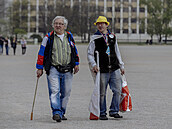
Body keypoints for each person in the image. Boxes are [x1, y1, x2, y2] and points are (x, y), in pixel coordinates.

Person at [36, 16, 79, 122]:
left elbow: (74, 51)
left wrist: (76, 63)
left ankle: (61, 112)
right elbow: (41, 53)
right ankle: (56, 112)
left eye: (60, 24)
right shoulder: (48, 37)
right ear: (53, 25)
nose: (58, 25)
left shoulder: (69, 36)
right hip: (53, 68)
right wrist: (39, 68)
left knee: (66, 92)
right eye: (56, 23)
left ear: (64, 26)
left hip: (68, 69)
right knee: (55, 91)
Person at [87, 16, 125, 120]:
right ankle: (102, 112)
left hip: (114, 67)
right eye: (98, 23)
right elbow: (90, 54)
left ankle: (114, 110)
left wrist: (121, 65)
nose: (100, 25)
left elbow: (117, 51)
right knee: (102, 93)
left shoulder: (112, 37)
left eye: (102, 23)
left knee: (117, 90)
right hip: (102, 69)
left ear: (106, 25)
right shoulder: (94, 38)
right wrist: (94, 64)